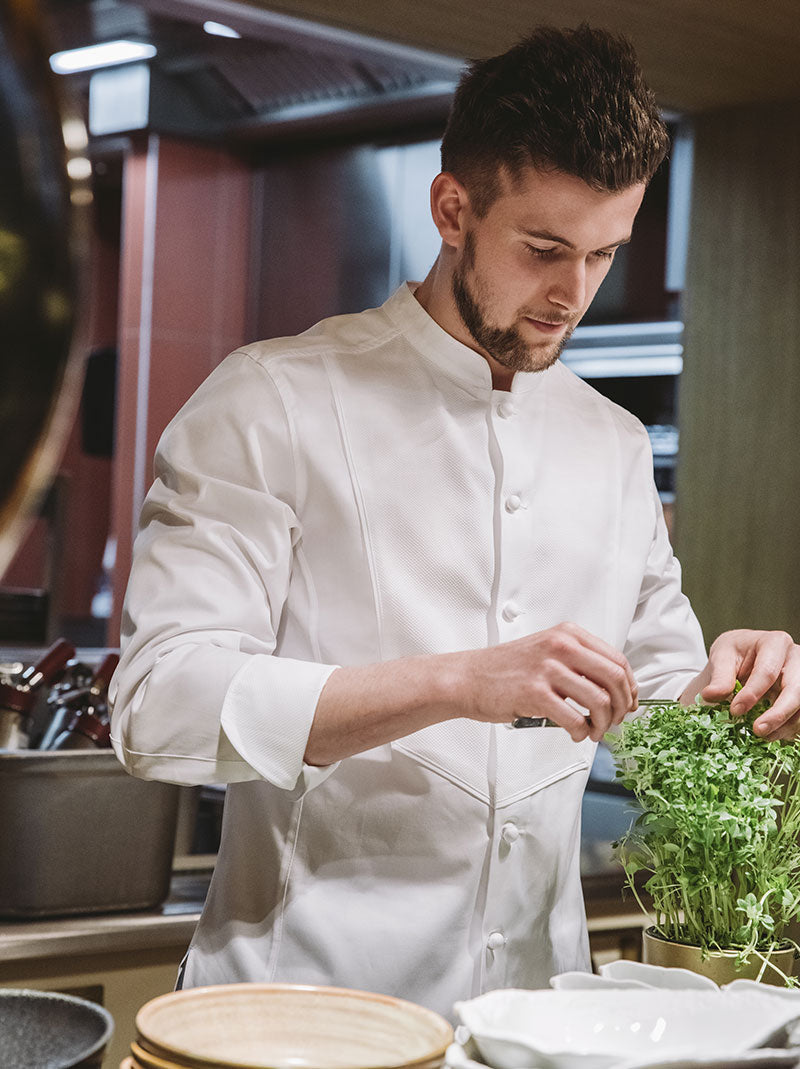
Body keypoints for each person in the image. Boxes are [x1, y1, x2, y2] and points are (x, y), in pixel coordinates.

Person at [109, 24, 800, 1019]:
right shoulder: (272, 399)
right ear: (451, 209)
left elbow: (651, 710)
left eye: (603, 253)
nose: (570, 295)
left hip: (535, 1020)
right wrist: (456, 681)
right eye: (542, 249)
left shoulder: (608, 444)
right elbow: (159, 703)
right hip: (297, 1011)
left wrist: (737, 692)